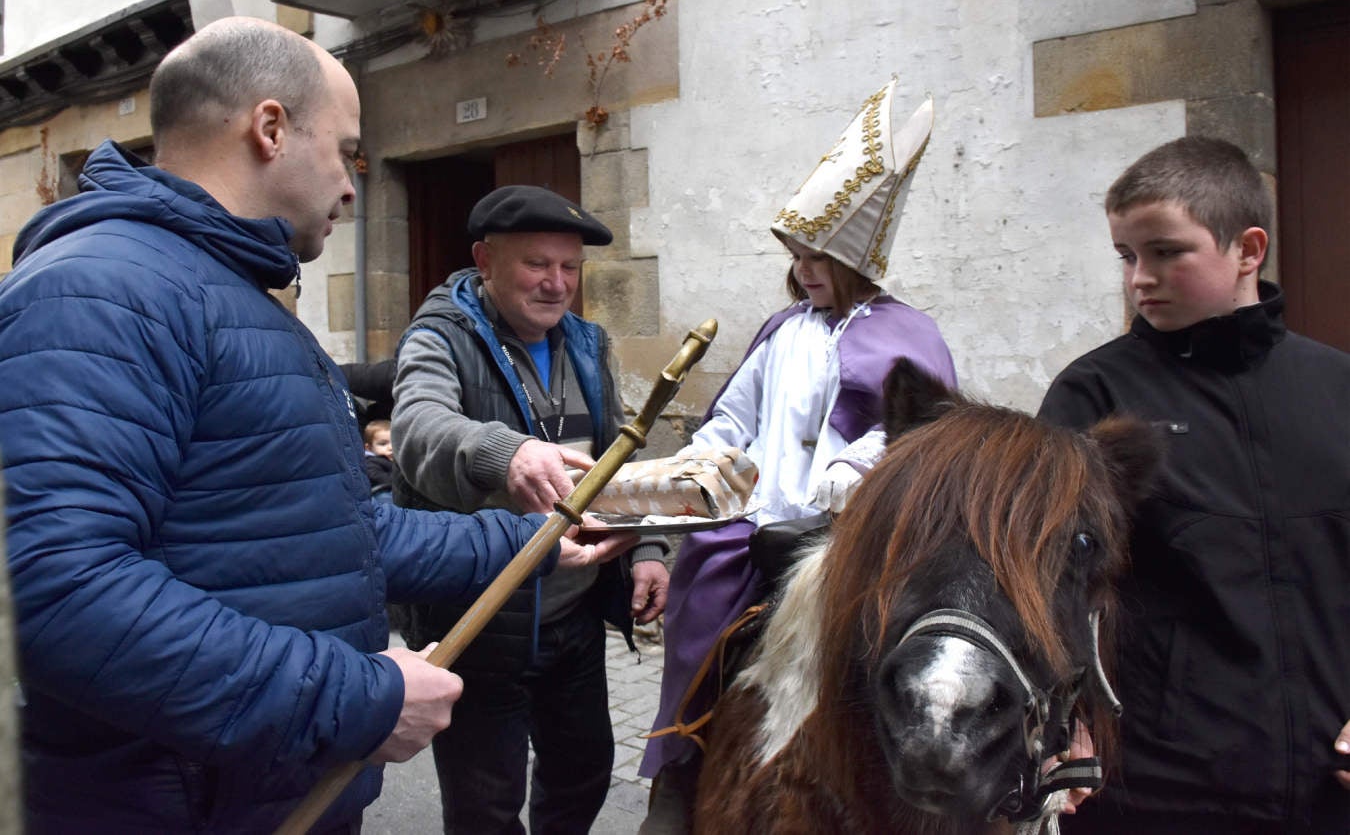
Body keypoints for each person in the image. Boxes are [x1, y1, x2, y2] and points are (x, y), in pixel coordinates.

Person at [0, 17, 635, 834]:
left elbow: (336, 531)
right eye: (346, 152)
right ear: (269, 129)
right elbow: (54, 592)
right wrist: (358, 699)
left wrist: (532, 541)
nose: (350, 186)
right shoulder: (99, 292)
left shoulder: (229, 298)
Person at [638, 80, 959, 830]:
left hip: (850, 542)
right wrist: (696, 466)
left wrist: (857, 471)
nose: (806, 270)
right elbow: (732, 420)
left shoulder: (911, 333)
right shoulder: (782, 331)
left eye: (820, 257)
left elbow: (919, 429)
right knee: (702, 612)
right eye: (797, 256)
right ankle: (679, 772)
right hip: (759, 529)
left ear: (855, 258)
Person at [1039, 136, 1350, 834]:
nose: (1139, 278)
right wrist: (1068, 720)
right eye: (1127, 256)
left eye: (1166, 252)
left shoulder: (1338, 389)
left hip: (1332, 786)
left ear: (1247, 250)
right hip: (1159, 789)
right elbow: (1045, 577)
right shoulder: (1095, 395)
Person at [390, 184, 671, 833]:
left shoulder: (589, 343)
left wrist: (650, 549)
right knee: (485, 807)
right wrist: (503, 454)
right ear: (485, 262)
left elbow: (616, 458)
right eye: (536, 265)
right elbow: (418, 429)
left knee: (584, 771)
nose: (556, 284)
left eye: (570, 267)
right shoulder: (439, 337)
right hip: (482, 619)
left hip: (573, 617)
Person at [363, 418, 397, 493]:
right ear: (369, 448)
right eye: (383, 444)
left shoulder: (397, 459)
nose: (391, 447)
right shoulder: (370, 462)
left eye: (394, 442)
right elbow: (376, 477)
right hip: (382, 492)